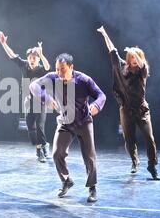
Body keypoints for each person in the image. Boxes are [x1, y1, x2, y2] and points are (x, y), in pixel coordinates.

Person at [30, 54, 106, 203]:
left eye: (62, 70)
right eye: (57, 69)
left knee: (89, 156)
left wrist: (96, 106)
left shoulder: (83, 80)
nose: (59, 73)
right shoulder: (53, 77)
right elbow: (33, 86)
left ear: (71, 68)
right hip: (65, 122)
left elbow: (101, 95)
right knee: (57, 153)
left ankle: (92, 187)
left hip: (84, 122)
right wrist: (47, 98)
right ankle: (66, 180)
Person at [97, 25, 160, 180]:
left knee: (149, 138)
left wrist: (133, 51)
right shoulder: (122, 68)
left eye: (135, 58)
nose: (133, 60)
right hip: (126, 110)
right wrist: (105, 34)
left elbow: (142, 63)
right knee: (129, 140)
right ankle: (134, 161)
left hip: (142, 110)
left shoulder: (142, 71)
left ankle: (152, 166)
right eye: (130, 57)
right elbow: (113, 51)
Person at [0, 31, 51, 162]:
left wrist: (41, 53)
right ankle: (44, 144)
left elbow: (48, 66)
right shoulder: (24, 65)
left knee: (40, 125)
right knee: (30, 126)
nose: (32, 60)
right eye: (31, 58)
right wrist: (4, 43)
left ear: (38, 59)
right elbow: (11, 55)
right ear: (28, 58)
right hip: (28, 101)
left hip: (41, 101)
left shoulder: (41, 69)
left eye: (35, 58)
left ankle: (40, 150)